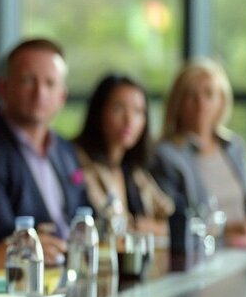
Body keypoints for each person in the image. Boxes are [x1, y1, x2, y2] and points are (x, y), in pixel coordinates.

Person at [0, 38, 86, 262]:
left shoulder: (66, 150)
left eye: (50, 83)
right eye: (28, 81)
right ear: (3, 88)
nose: (40, 93)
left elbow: (85, 217)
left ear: (62, 96)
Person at [153, 58, 246, 242]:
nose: (201, 103)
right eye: (191, 95)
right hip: (204, 253)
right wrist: (224, 231)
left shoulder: (234, 147)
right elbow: (175, 221)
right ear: (178, 102)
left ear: (221, 101)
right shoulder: (165, 155)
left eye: (209, 94)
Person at [73, 74, 174, 235]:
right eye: (118, 108)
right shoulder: (79, 162)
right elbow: (108, 225)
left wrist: (151, 226)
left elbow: (170, 217)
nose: (129, 120)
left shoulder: (133, 170)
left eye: (138, 112)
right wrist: (146, 227)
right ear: (98, 112)